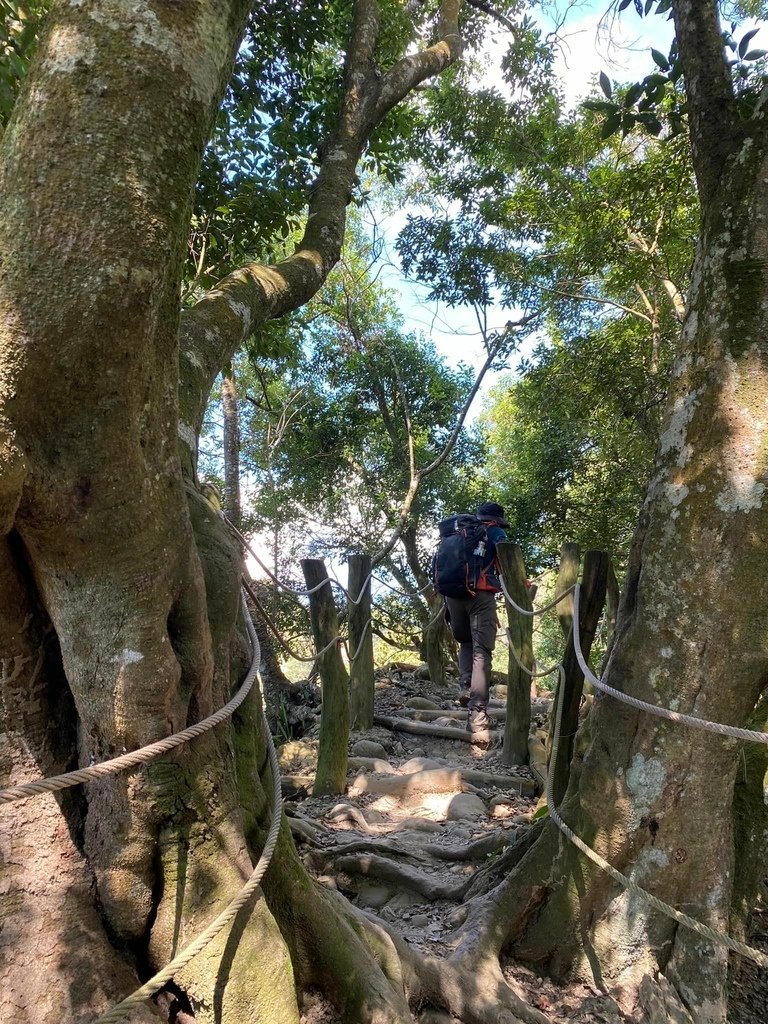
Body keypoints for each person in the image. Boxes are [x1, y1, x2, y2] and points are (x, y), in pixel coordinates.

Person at [443, 501, 508, 741]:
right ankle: (478, 717)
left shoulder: (457, 532)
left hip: (452, 596)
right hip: (480, 595)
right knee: (482, 652)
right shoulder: (494, 531)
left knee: (466, 643)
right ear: (497, 519)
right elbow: (507, 561)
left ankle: (465, 687)